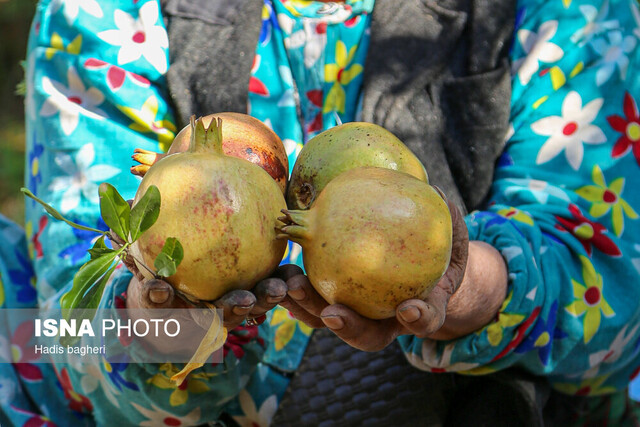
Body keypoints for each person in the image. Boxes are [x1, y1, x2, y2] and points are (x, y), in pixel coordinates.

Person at [1, 0, 639, 426]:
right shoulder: (101, 14)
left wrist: (472, 290)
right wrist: (155, 327)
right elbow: (57, 335)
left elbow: (618, 308)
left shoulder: (571, 13)